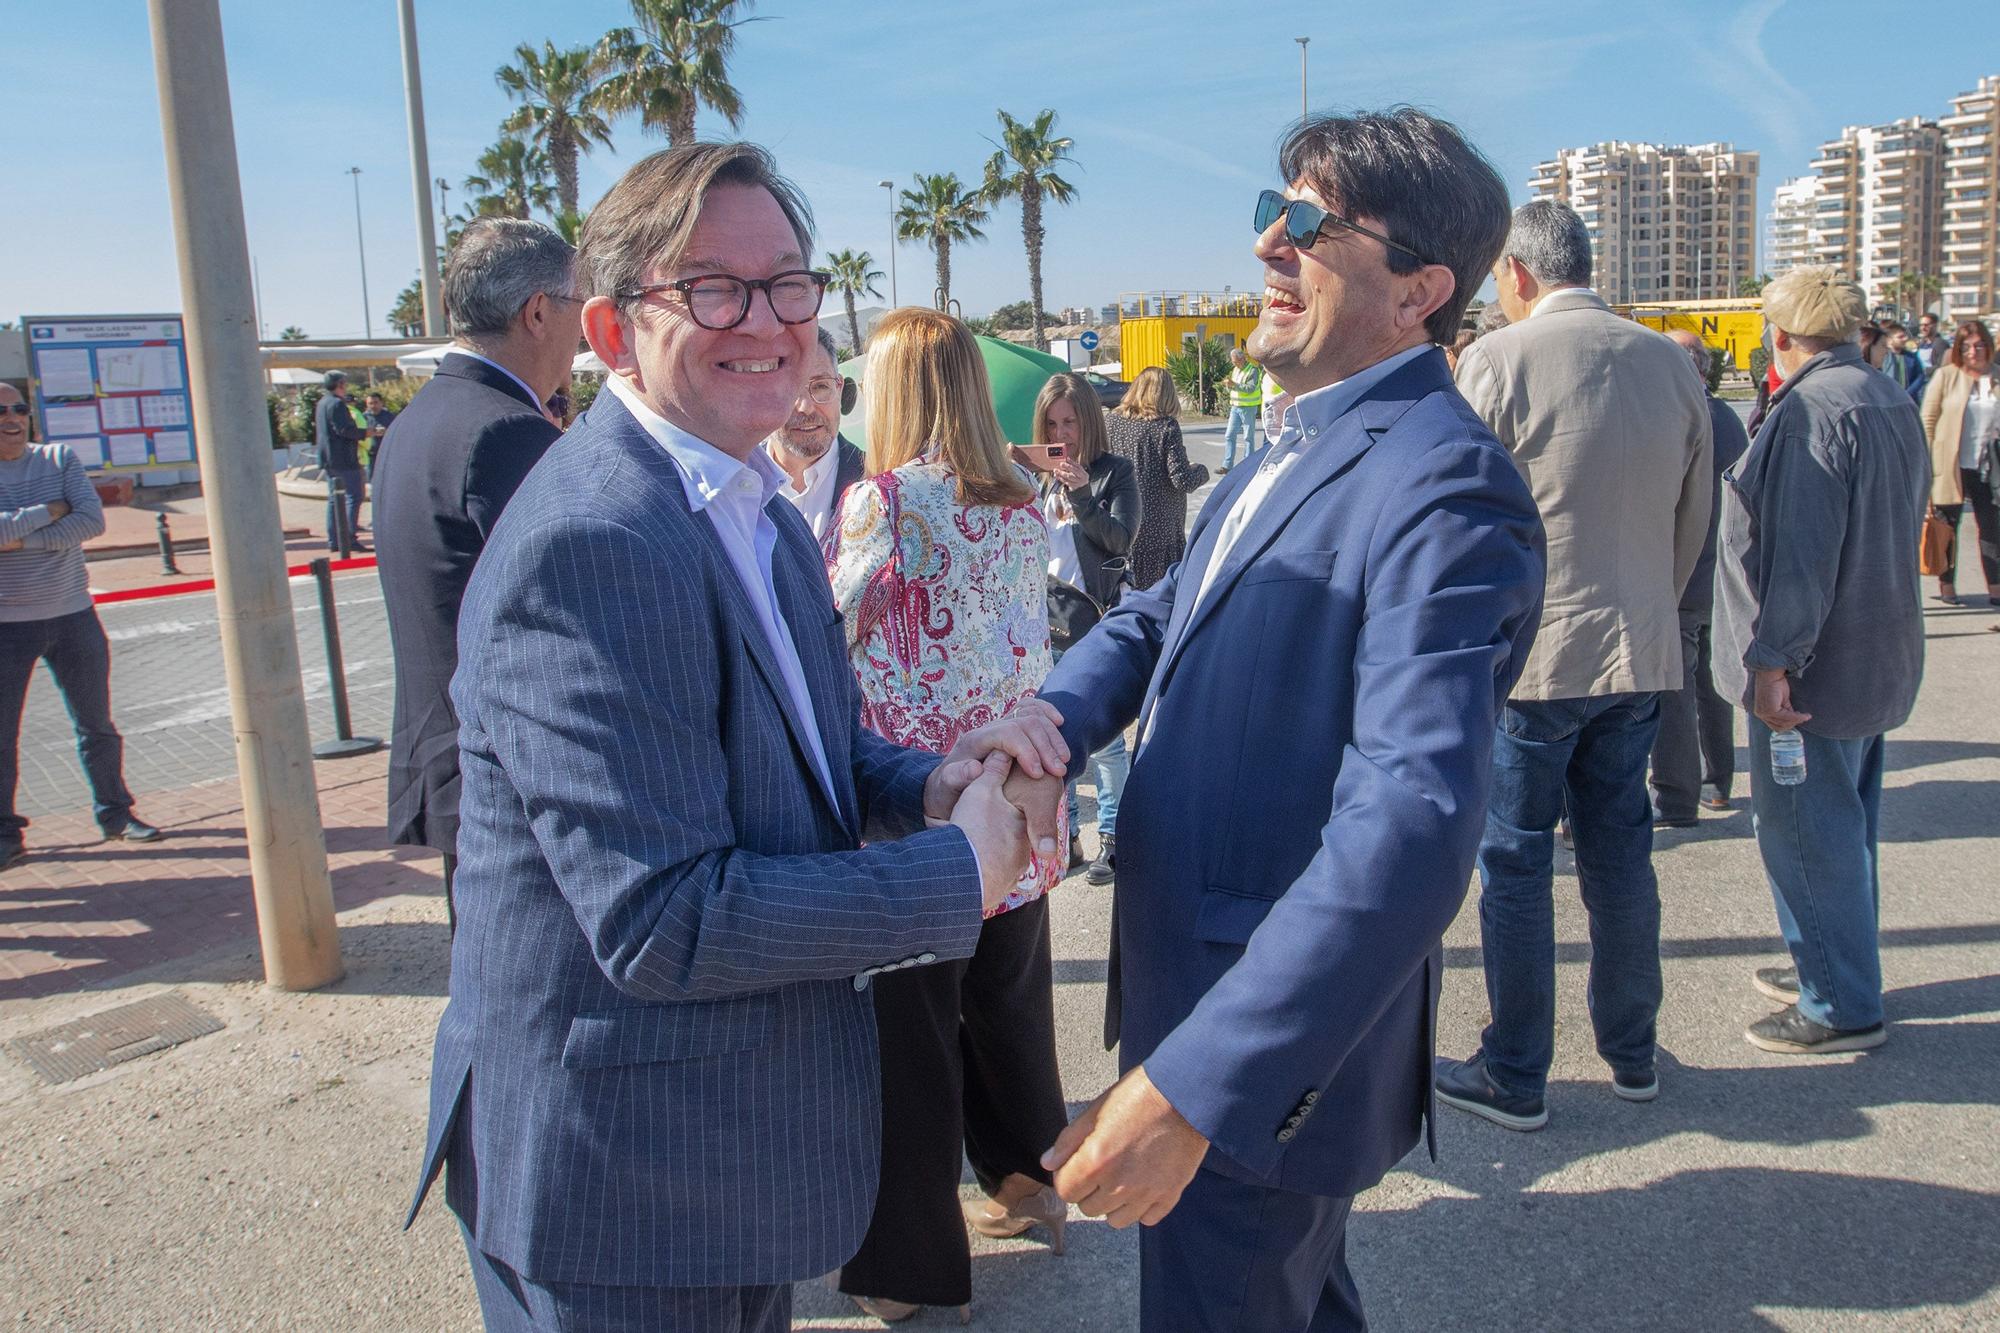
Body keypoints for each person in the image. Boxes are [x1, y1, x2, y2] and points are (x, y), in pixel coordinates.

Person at [406, 142, 1066, 1333]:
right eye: (710, 287)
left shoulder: (741, 497)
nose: (765, 321)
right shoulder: (596, 537)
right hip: (627, 1180)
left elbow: (813, 746)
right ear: (609, 331)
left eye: (789, 283)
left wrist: (931, 782)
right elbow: (663, 919)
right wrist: (957, 870)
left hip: (731, 1150)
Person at [1034, 109, 1542, 1331]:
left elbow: (1410, 824)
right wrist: (1048, 723)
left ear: (1419, 289)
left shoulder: (1440, 480)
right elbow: (1165, 610)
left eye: (1309, 223)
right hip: (1206, 1008)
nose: (1269, 242)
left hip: (1256, 1055)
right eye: (1269, 213)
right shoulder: (1296, 435)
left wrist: (1198, 1089)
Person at [1441, 198, 1712, 1131]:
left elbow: (1460, 518)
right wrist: (1652, 606)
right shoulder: (1666, 362)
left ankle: (1517, 1069)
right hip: (1636, 646)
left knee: (1515, 865)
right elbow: (1694, 514)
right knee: (1620, 855)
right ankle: (1631, 1049)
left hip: (1533, 658)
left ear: (1516, 273)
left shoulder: (1498, 360)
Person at [825, 307, 1070, 1324]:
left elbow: (822, 635)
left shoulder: (877, 502)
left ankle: (909, 1265)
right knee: (1009, 1012)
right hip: (1015, 795)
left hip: (918, 810)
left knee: (910, 1041)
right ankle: (1030, 1182)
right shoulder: (1022, 497)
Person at [1714, 266, 1929, 1055]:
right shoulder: (1882, 392)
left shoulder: (1811, 409)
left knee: (1808, 831)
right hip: (1876, 651)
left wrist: (1772, 663)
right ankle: (1836, 962)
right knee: (1846, 828)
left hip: (1814, 670)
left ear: (1780, 334)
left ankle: (1838, 999)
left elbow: (1799, 559)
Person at [373, 217, 581, 928]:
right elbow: (569, 610)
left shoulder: (415, 421)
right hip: (505, 772)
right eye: (579, 306)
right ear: (537, 312)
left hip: (445, 756)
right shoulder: (505, 432)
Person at [1, 383, 160, 871]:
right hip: (7, 624)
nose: (11, 417)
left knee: (96, 724)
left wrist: (18, 537)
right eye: (0, 410)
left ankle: (115, 814)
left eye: (19, 408)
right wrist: (49, 511)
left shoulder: (58, 457)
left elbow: (91, 522)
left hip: (73, 614)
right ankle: (6, 835)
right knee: (3, 735)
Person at [1036, 371, 1140, 885]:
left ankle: (1115, 839)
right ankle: (1069, 839)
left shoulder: (1114, 472)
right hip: (1044, 622)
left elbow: (1120, 540)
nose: (1062, 434)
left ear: (1089, 421)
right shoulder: (1038, 478)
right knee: (1052, 742)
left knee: (1104, 745)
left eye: (1070, 422)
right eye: (1052, 423)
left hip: (1094, 622)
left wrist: (1081, 495)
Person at [1650, 330, 1751, 824]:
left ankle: (1676, 794)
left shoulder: (1680, 417)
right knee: (1713, 684)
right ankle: (1718, 781)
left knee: (1676, 688)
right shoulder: (1727, 416)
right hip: (1720, 574)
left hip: (1686, 572)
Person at [1918, 320, 1999, 608]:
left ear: (1988, 346)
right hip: (1949, 463)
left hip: (1988, 467)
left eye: (1979, 345)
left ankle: (1995, 587)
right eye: (1966, 347)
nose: (1973, 352)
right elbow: (1927, 421)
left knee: (1991, 528)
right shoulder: (1946, 376)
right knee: (1947, 527)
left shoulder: (1997, 377)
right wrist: (1926, 462)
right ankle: (1947, 585)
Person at [1107, 365, 1209, 592]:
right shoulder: (1165, 427)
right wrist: (1201, 471)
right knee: (1159, 596)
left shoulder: (1112, 422)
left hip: (1121, 520)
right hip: (1159, 528)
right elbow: (1182, 479)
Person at [763, 326, 865, 544]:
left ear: (839, 388)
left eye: (820, 386)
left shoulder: (878, 481)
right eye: (789, 389)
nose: (806, 407)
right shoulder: (732, 488)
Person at [313, 371, 368, 550]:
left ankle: (335, 540)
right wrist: (366, 433)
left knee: (334, 499)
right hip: (344, 459)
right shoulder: (337, 404)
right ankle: (349, 537)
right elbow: (344, 430)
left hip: (329, 458)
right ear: (340, 384)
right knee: (354, 496)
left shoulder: (322, 403)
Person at [1219, 346, 1262, 473]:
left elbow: (1251, 388)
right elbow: (1234, 387)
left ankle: (1247, 465)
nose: (1234, 364)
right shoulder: (1235, 370)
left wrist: (1235, 385)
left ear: (1242, 359)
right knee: (1229, 435)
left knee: (1248, 437)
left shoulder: (1253, 370)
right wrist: (1229, 385)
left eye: (1235, 361)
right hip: (1235, 407)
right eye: (1233, 362)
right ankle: (1227, 466)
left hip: (1248, 408)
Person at [1880, 322, 1926, 404]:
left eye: (1905, 336)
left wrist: (1907, 393)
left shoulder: (1911, 357)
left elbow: (1920, 376)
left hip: (1909, 400)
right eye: (1900, 337)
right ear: (1889, 340)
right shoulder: (1882, 357)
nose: (1905, 339)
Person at [362, 392, 397, 479]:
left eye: (376, 402)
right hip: (371, 455)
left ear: (381, 403)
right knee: (372, 481)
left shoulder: (389, 417)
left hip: (387, 455)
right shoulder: (364, 417)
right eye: (370, 403)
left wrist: (387, 432)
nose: (373, 406)